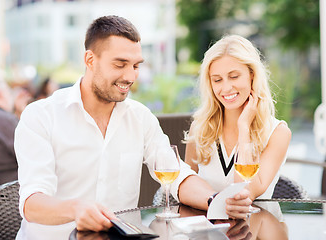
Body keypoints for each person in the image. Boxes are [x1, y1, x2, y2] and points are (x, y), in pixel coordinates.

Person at [15, 15, 238, 240]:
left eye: (135, 65)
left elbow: (176, 174)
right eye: (120, 64)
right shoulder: (41, 116)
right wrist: (76, 209)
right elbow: (32, 203)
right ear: (90, 60)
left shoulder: (140, 117)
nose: (130, 76)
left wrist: (216, 201)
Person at [185, 35, 292, 217]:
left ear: (252, 75)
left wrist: (244, 128)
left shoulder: (278, 133)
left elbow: (245, 194)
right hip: (209, 231)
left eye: (234, 76)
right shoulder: (200, 129)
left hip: (259, 230)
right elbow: (186, 185)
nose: (226, 88)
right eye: (217, 80)